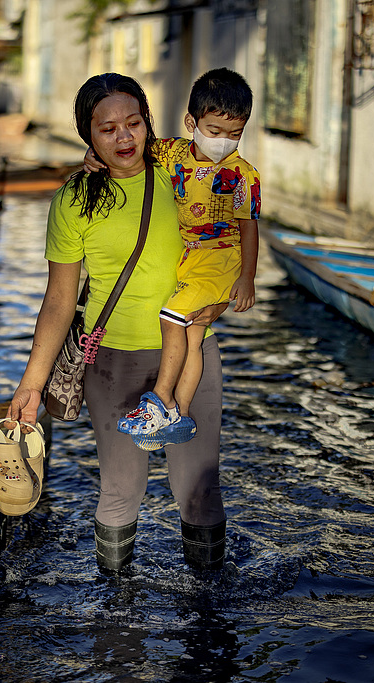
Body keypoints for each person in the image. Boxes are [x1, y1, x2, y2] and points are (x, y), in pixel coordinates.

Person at [6, 73, 229, 573]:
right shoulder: (74, 200)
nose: (124, 138)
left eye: (134, 123)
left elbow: (226, 240)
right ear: (89, 136)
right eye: (107, 130)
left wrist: (223, 297)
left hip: (194, 353)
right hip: (113, 364)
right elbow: (60, 301)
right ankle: (116, 614)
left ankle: (210, 617)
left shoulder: (183, 174)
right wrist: (31, 384)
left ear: (150, 123)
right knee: (121, 491)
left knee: (198, 491)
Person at [86, 68, 261, 448]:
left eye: (235, 134)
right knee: (193, 335)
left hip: (220, 257)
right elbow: (131, 146)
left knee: (172, 318)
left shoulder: (243, 175)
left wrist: (246, 278)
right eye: (214, 131)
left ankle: (160, 399)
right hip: (191, 258)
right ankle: (178, 414)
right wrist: (91, 153)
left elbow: (249, 227)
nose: (224, 142)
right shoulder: (175, 153)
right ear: (192, 123)